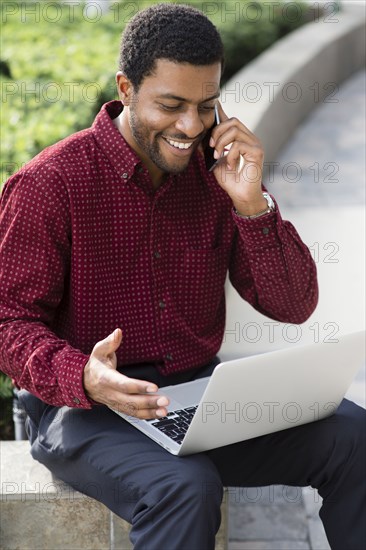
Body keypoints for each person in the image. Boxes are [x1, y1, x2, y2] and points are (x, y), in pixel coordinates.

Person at [0, 3, 364, 549]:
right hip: (83, 409)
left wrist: (252, 206)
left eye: (206, 105)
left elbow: (294, 304)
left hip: (197, 401)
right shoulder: (49, 185)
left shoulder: (219, 180)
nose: (191, 126)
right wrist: (84, 376)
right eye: (170, 106)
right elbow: (9, 322)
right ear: (126, 88)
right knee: (185, 486)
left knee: (354, 435)